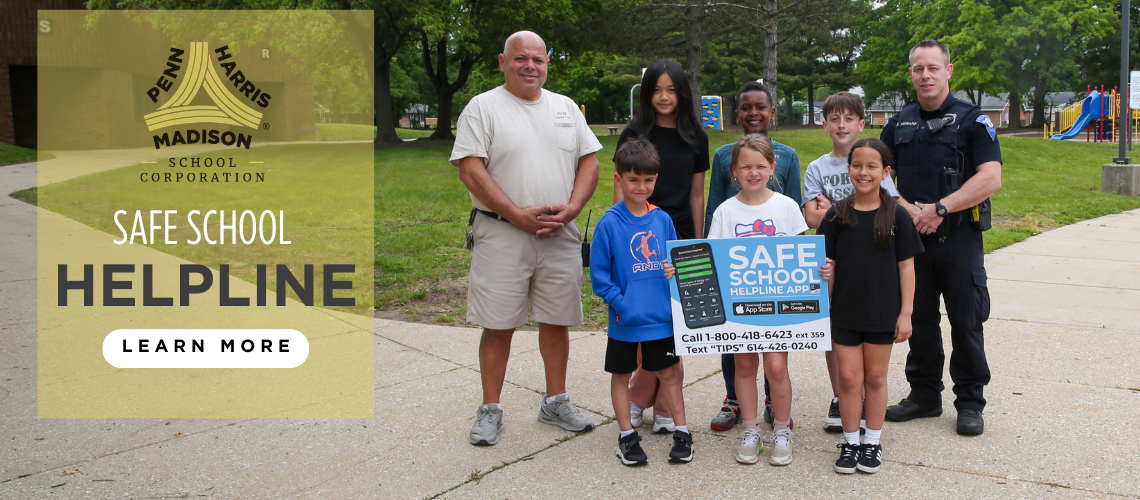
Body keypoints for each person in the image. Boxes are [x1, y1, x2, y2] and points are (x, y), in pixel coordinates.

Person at [451, 31, 602, 446]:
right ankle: (490, 409)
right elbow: (471, 170)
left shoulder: (566, 108)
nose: (530, 66)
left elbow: (589, 163)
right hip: (502, 232)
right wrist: (516, 215)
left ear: (547, 63)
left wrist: (572, 209)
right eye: (521, 59)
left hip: (558, 232)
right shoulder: (483, 107)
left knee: (556, 321)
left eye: (538, 59)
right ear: (503, 61)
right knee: (498, 324)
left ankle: (556, 402)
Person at [880, 39, 1002, 436]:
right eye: (919, 68)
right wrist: (905, 207)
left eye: (933, 67)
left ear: (948, 71)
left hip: (959, 237)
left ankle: (969, 402)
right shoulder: (898, 123)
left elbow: (990, 177)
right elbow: (880, 174)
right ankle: (924, 395)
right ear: (911, 73)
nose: (926, 75)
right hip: (913, 239)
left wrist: (941, 208)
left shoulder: (973, 120)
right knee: (920, 318)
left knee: (966, 321)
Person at [817, 139, 923, 474]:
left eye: (872, 166)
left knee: (875, 378)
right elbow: (826, 265)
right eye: (857, 165)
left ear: (886, 172)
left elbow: (907, 266)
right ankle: (850, 442)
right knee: (849, 379)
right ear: (848, 169)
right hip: (844, 313)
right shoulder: (836, 214)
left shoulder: (897, 215)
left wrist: (906, 313)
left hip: (882, 313)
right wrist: (826, 277)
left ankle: (872, 443)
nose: (864, 172)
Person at [615, 59, 709, 434]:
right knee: (643, 320)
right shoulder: (634, 132)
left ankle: (657, 401)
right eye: (657, 90)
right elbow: (620, 188)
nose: (664, 97)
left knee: (674, 322)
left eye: (672, 89)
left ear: (682, 93)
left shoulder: (695, 136)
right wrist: (619, 237)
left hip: (679, 235)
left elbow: (698, 193)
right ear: (647, 94)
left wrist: (696, 241)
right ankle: (647, 397)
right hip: (639, 237)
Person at [704, 81, 802, 432]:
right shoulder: (722, 156)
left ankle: (776, 405)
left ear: (772, 112)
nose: (754, 112)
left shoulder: (788, 156)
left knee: (776, 360)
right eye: (746, 107)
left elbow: (796, 226)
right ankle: (734, 399)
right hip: (737, 279)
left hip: (775, 281)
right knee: (735, 346)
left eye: (761, 106)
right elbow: (714, 208)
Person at [591, 138, 692, 466]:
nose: (641, 186)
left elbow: (676, 263)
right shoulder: (609, 223)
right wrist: (624, 305)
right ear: (618, 178)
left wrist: (671, 270)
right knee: (621, 376)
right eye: (633, 179)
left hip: (661, 319)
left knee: (669, 375)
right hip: (625, 323)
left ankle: (682, 432)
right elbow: (600, 278)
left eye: (648, 180)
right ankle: (627, 437)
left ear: (656, 180)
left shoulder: (662, 219)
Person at [803, 91, 900, 432]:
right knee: (836, 336)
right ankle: (839, 394)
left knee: (870, 350)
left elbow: (887, 207)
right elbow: (813, 218)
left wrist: (832, 206)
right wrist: (840, 210)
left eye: (848, 119)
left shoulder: (875, 159)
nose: (841, 125)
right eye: (834, 118)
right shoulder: (817, 167)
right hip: (834, 264)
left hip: (870, 265)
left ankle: (864, 410)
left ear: (861, 124)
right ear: (825, 124)